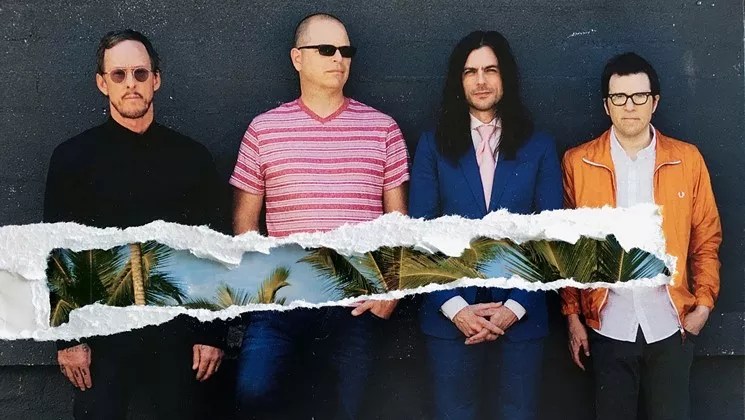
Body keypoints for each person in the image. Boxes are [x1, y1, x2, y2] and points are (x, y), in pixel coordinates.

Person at [230, 13, 409, 419]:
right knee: (253, 393)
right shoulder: (263, 130)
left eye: (346, 51)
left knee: (346, 409)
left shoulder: (382, 128)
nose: (338, 59)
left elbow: (398, 222)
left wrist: (392, 290)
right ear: (298, 58)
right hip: (281, 302)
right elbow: (245, 223)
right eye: (326, 50)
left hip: (353, 304)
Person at [43, 29, 226, 420]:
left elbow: (213, 250)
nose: (131, 84)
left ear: (156, 80)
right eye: (119, 74)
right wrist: (68, 339)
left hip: (176, 329)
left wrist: (211, 334)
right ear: (102, 83)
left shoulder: (192, 158)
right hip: (103, 332)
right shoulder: (73, 158)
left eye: (140, 73)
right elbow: (57, 254)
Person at [408, 30, 562, 420]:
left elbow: (550, 237)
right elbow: (420, 236)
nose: (481, 81)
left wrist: (514, 307)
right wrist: (457, 309)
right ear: (458, 81)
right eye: (470, 72)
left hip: (522, 315)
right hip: (449, 316)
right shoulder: (433, 145)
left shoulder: (539, 145)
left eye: (490, 70)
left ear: (505, 76)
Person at [560, 52, 722, 420]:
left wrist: (703, 306)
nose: (629, 106)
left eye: (639, 96)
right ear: (606, 105)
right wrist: (572, 315)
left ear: (655, 102)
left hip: (671, 323)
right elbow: (567, 247)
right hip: (607, 325)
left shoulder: (687, 159)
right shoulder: (579, 162)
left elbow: (706, 239)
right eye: (619, 97)